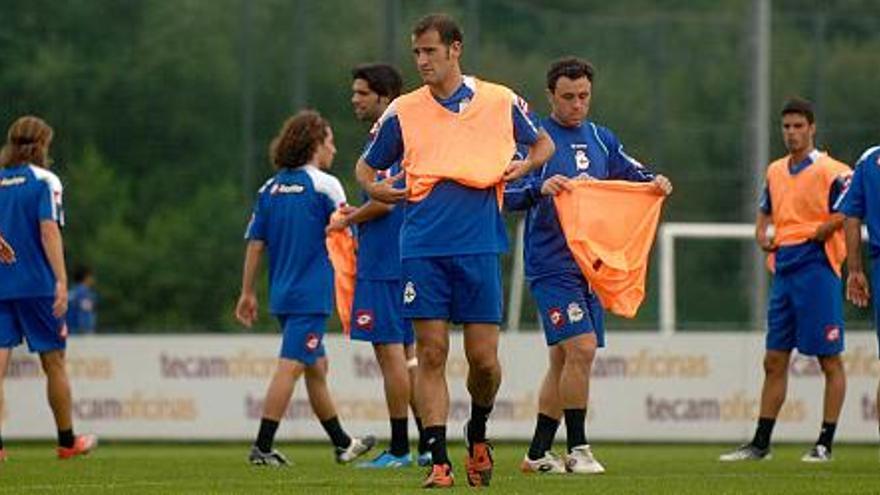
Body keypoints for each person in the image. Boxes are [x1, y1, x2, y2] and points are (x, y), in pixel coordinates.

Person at [355, 13, 555, 488]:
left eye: (429, 51)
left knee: (484, 361)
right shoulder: (403, 109)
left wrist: (526, 164)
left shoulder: (499, 99)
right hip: (422, 245)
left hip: (480, 243)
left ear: (454, 49)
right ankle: (439, 458)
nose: (422, 60)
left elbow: (543, 142)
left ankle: (478, 432)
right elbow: (366, 167)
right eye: (416, 53)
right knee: (431, 352)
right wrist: (376, 190)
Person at [505, 57, 672, 475]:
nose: (577, 105)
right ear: (550, 96)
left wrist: (656, 183)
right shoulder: (534, 141)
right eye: (568, 97)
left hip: (590, 265)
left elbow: (634, 174)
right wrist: (538, 188)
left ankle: (537, 454)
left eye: (584, 96)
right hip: (550, 265)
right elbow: (503, 191)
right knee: (580, 349)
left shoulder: (601, 138)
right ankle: (578, 448)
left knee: (564, 361)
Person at [236, 110, 375, 466]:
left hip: (282, 293)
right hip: (311, 293)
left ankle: (343, 443)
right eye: (329, 141)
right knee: (291, 366)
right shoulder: (324, 184)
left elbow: (255, 244)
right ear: (315, 144)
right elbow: (347, 226)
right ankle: (262, 447)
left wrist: (247, 292)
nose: (334, 148)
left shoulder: (270, 188)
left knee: (317, 367)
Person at [720, 98, 851, 463]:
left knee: (829, 359)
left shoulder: (833, 170)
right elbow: (765, 210)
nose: (791, 133)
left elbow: (851, 207)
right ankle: (760, 443)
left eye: (798, 126)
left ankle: (824, 442)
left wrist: (827, 227)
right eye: (786, 127)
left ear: (812, 128)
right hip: (785, 267)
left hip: (818, 265)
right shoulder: (776, 170)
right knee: (774, 359)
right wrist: (762, 234)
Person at [326, 63, 430, 468]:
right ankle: (426, 445)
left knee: (392, 357)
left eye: (362, 93)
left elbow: (388, 199)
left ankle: (401, 449)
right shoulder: (411, 131)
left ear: (384, 97)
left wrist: (348, 219)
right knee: (410, 358)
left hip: (385, 263)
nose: (355, 99)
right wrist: (361, 210)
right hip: (403, 258)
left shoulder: (391, 134)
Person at [0, 115, 96, 461]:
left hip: (1, 284)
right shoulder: (44, 180)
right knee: (53, 363)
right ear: (41, 145)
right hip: (36, 285)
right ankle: (67, 441)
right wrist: (61, 280)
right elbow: (48, 230)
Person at [838, 144, 880, 440]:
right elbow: (850, 215)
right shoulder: (869, 159)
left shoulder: (868, 158)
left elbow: (851, 216)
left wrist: (855, 269)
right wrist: (854, 269)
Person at [67, 265, 97, 335]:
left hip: (70, 329)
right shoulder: (84, 293)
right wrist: (87, 329)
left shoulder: (71, 291)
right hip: (81, 332)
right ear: (86, 277)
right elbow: (85, 313)